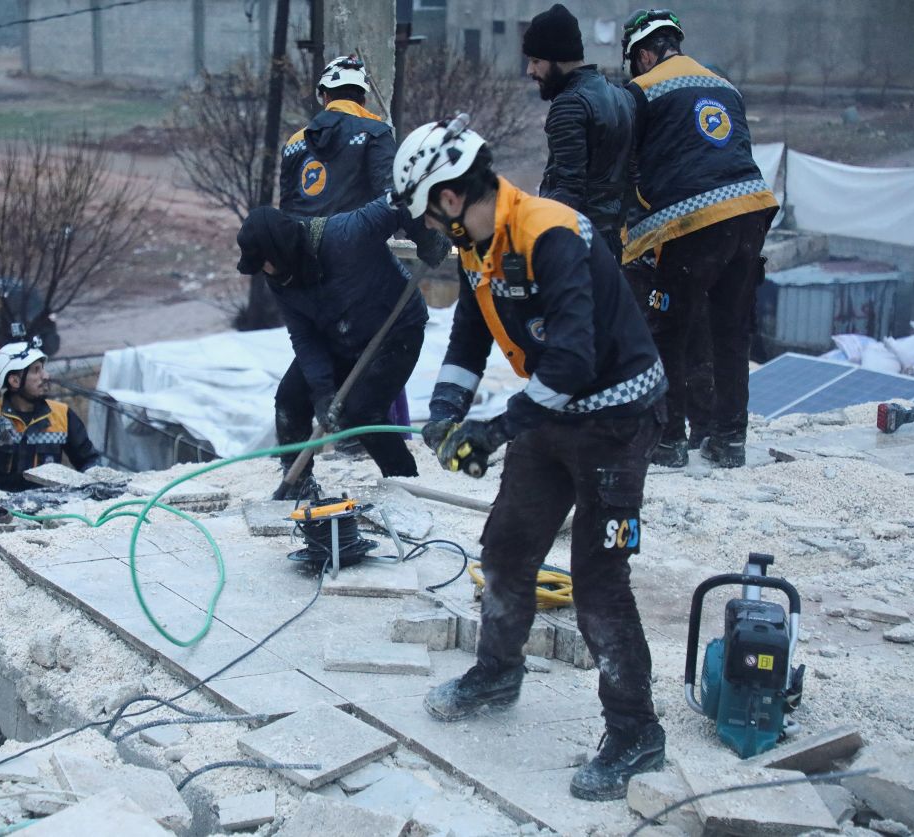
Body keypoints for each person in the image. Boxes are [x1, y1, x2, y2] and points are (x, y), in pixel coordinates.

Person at [392, 117, 668, 801]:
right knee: (507, 549)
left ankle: (635, 731)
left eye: (427, 210)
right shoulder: (478, 250)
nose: (428, 225)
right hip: (553, 413)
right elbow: (466, 340)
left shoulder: (548, 232)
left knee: (599, 584)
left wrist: (495, 429)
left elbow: (574, 359)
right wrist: (446, 413)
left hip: (617, 419)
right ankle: (497, 670)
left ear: (449, 198)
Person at [621, 9, 778, 468]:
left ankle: (668, 443)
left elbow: (629, 167)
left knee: (669, 326)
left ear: (645, 54)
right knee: (731, 331)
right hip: (750, 214)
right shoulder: (725, 85)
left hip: (695, 224)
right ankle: (729, 442)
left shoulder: (643, 91)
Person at [235, 196, 428, 493]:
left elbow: (400, 199)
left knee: (363, 410)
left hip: (395, 329)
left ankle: (405, 481)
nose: (264, 271)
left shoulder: (344, 234)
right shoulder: (280, 279)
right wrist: (323, 392)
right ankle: (298, 483)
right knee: (290, 399)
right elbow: (304, 337)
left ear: (280, 248)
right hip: (337, 337)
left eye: (264, 262)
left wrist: (424, 236)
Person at [279, 55, 448, 263]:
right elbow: (395, 199)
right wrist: (430, 243)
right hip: (355, 262)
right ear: (363, 100)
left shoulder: (294, 143)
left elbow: (286, 211)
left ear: (325, 97)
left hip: (302, 266)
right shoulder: (373, 134)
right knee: (409, 296)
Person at [523, 3, 634, 260]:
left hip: (577, 245)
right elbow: (631, 177)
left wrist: (537, 244)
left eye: (536, 61)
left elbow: (567, 188)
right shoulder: (621, 97)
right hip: (612, 242)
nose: (530, 70)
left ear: (558, 57)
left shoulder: (569, 104)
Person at [0, 338, 99, 492]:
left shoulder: (62, 414)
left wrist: (94, 481)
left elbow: (88, 460)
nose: (46, 376)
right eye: (36, 370)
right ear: (15, 381)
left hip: (48, 503)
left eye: (43, 369)